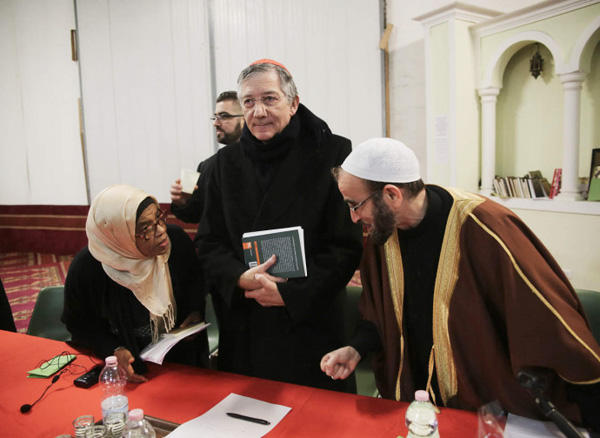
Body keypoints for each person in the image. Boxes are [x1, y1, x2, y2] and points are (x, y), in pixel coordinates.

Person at [320, 137, 600, 431]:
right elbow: (379, 312)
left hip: (485, 406)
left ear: (392, 195)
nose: (353, 217)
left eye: (356, 205)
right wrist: (356, 349)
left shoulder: (483, 225)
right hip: (417, 406)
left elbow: (546, 320)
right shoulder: (383, 234)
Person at [195, 59, 363, 391]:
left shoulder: (332, 152)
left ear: (294, 102)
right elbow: (208, 243)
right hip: (247, 321)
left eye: (269, 99)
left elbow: (345, 245)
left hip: (308, 318)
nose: (258, 111)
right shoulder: (221, 166)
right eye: (249, 102)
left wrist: (290, 294)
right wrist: (238, 277)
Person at [62, 184, 209, 382]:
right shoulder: (88, 268)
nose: (161, 231)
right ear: (117, 234)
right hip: (129, 369)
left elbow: (196, 284)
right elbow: (78, 323)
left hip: (181, 363)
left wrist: (194, 311)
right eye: (145, 228)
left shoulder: (177, 243)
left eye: (159, 218)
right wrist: (112, 349)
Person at [170, 91, 244, 224]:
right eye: (215, 117)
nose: (216, 123)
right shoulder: (207, 166)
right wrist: (182, 202)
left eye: (224, 116)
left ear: (245, 118)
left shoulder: (263, 161)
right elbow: (195, 215)